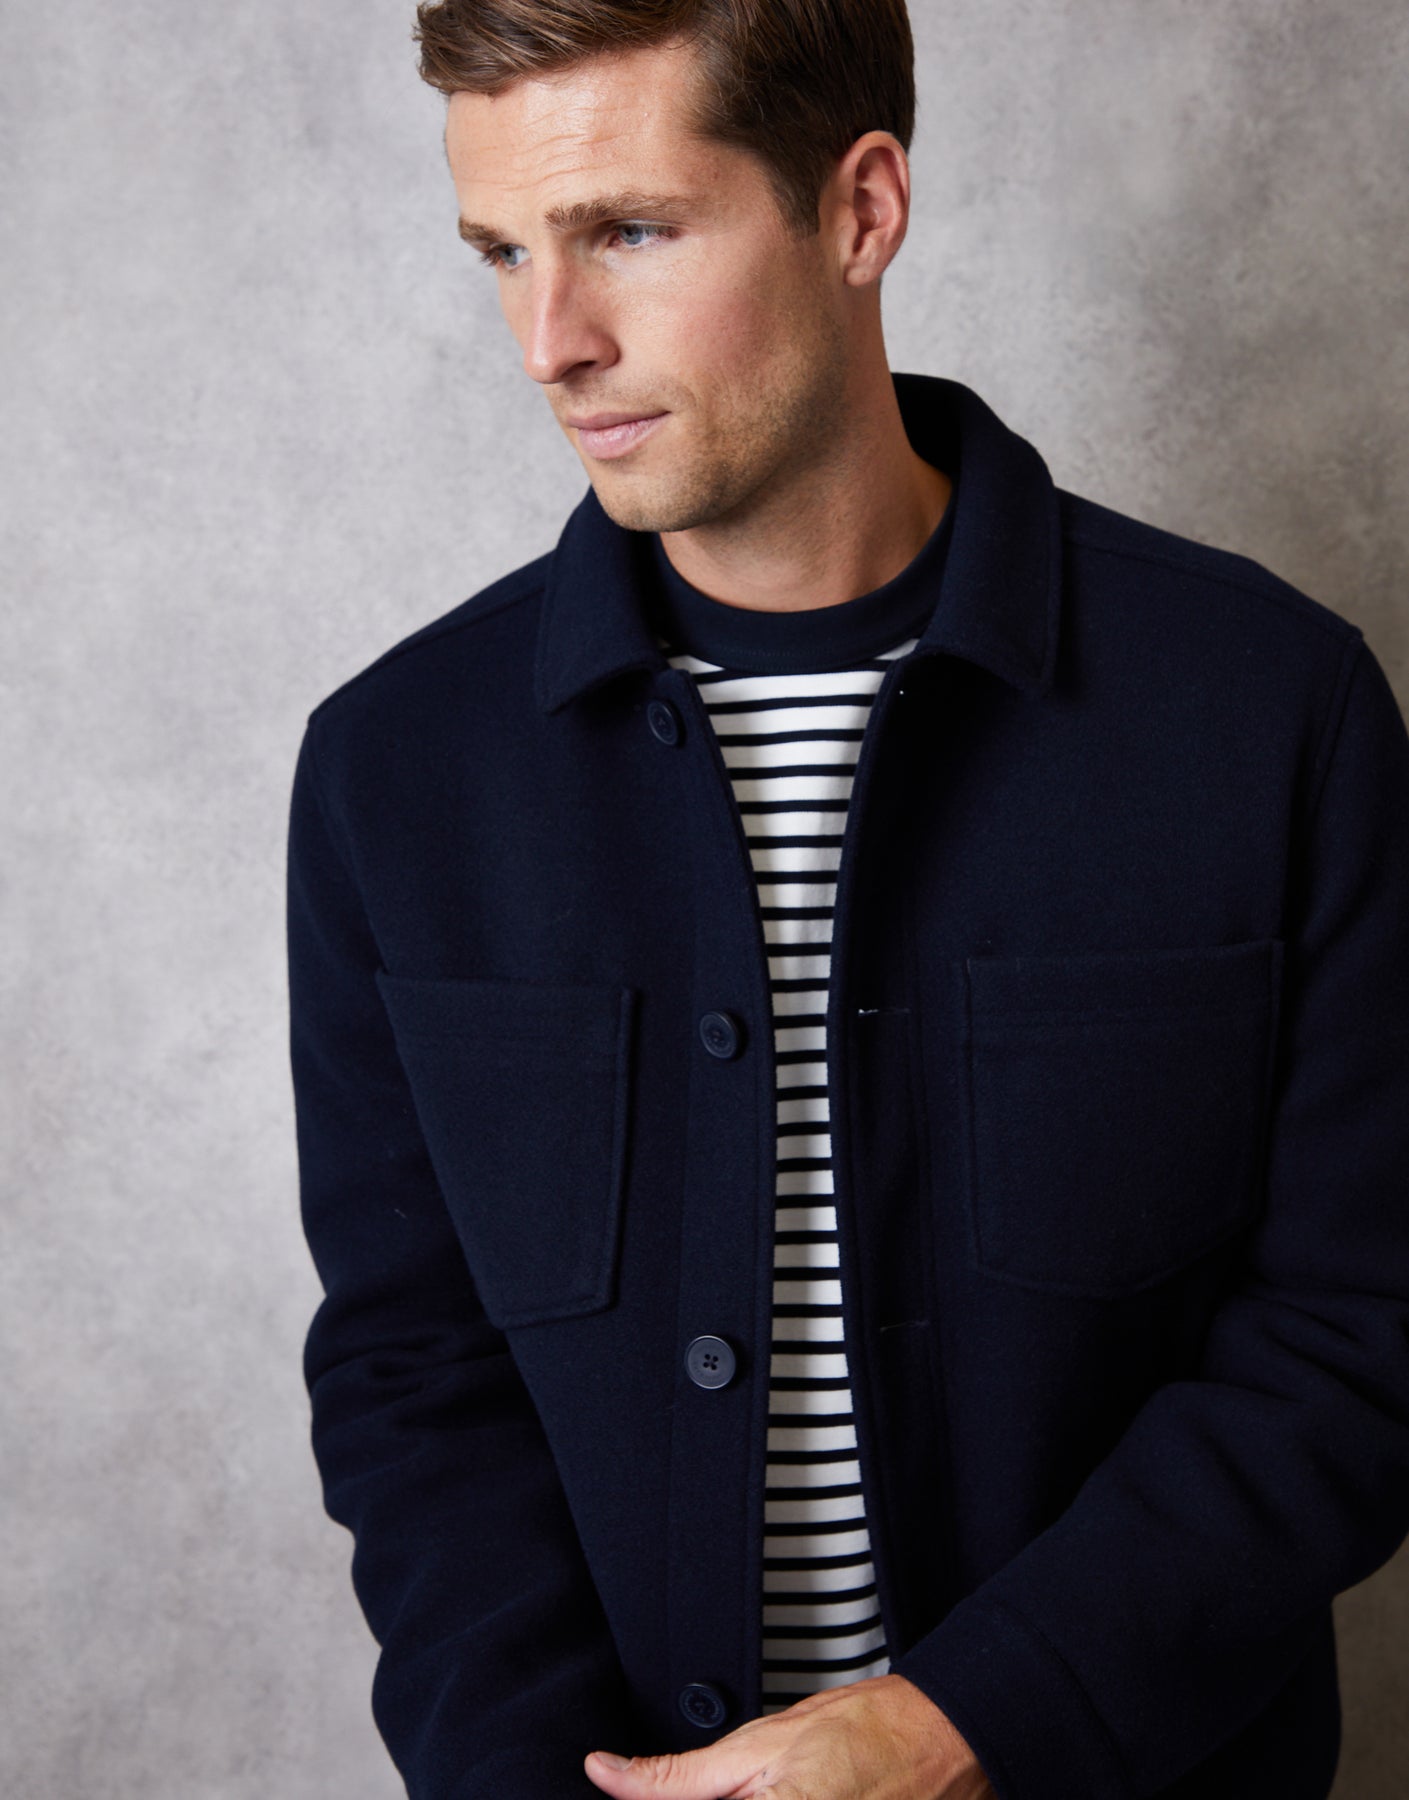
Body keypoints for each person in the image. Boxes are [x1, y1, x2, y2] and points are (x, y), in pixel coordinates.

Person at [284, 2, 1409, 1796]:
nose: (549, 340)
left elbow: (1358, 1332)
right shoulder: (396, 771)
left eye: (627, 231)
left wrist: (973, 1724)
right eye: (500, 251)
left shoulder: (1272, 711)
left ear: (860, 208)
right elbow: (412, 1369)